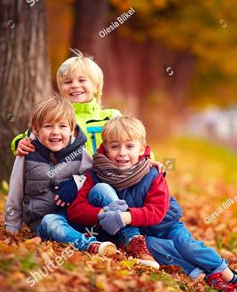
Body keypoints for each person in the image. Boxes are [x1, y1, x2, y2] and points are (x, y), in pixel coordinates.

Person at [67, 116, 237, 292]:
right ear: (105, 149)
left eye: (129, 146)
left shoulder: (152, 173)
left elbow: (156, 212)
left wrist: (125, 217)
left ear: (141, 148)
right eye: (115, 146)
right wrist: (102, 215)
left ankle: (231, 276)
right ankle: (205, 276)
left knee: (186, 245)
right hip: (142, 236)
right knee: (159, 250)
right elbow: (75, 210)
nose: (122, 153)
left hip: (166, 225)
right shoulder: (97, 174)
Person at [10, 49, 164, 207]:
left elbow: (133, 140)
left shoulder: (110, 116)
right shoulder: (56, 118)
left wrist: (147, 159)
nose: (74, 86)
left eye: (82, 80)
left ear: (97, 86)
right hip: (70, 183)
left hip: (108, 179)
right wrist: (20, 142)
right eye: (67, 82)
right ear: (60, 88)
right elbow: (34, 133)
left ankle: (132, 223)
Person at [4, 94, 116, 256]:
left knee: (102, 188)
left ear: (72, 129)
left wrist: (76, 183)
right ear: (36, 129)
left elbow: (91, 176)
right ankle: (92, 246)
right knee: (51, 221)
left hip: (75, 216)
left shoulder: (80, 152)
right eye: (48, 126)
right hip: (43, 220)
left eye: (62, 126)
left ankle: (126, 234)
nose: (55, 132)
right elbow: (15, 190)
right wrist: (11, 227)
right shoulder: (27, 153)